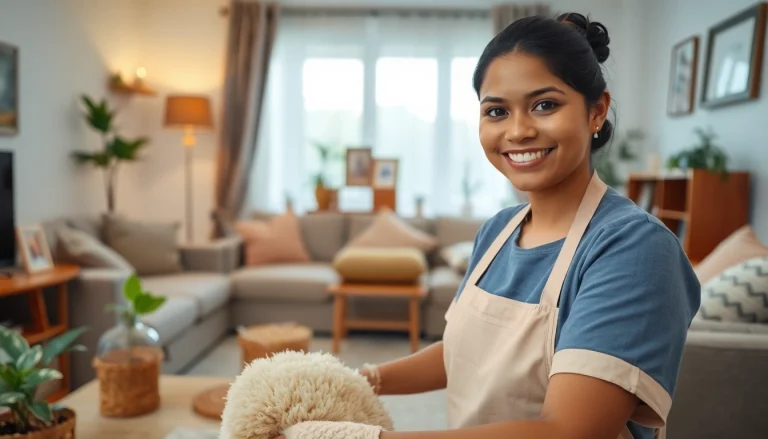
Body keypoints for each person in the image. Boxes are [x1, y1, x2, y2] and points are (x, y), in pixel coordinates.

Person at [279, 12, 701, 439]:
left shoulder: (635, 250)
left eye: (545, 105)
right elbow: (465, 354)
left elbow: (570, 431)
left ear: (597, 112)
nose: (518, 131)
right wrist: (362, 379)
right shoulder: (497, 231)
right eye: (497, 111)